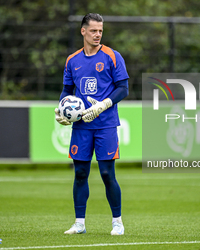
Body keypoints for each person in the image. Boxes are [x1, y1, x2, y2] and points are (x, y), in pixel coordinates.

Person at [54, 13, 129, 236]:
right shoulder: (72, 60)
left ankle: (117, 222)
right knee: (80, 173)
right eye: (94, 30)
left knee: (107, 173)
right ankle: (79, 223)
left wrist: (103, 105)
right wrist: (61, 110)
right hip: (81, 127)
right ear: (83, 31)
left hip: (105, 124)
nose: (98, 34)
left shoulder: (112, 56)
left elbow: (123, 89)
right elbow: (67, 92)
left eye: (100, 31)